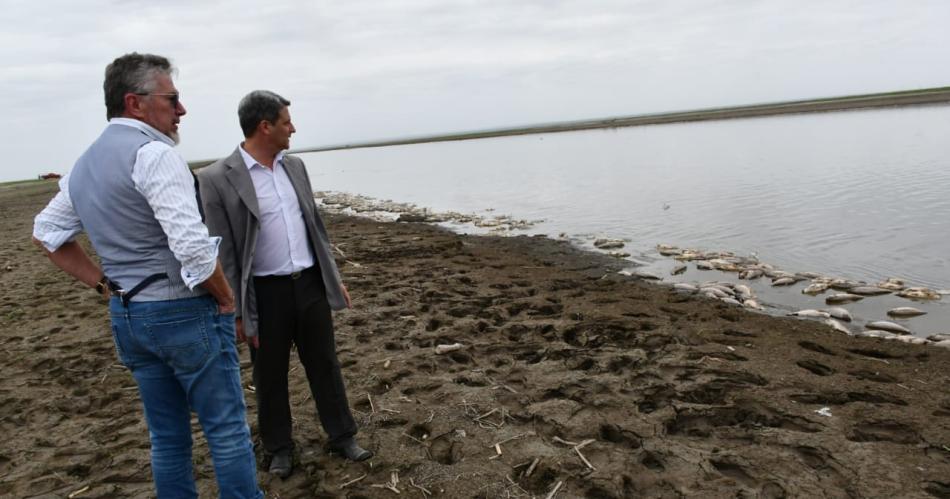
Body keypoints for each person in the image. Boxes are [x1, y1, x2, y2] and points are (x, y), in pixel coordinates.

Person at [32, 53, 262, 499]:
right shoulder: (154, 154)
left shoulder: (83, 164)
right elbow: (191, 245)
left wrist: (105, 285)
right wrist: (227, 298)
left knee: (167, 436)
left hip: (129, 315)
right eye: (172, 99)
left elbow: (47, 233)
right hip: (182, 311)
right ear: (135, 103)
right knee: (227, 430)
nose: (181, 110)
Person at [197, 90, 372, 478]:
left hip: (309, 284)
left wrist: (332, 279)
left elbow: (316, 229)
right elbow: (219, 250)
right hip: (263, 293)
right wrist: (237, 310)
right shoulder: (214, 179)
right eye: (286, 121)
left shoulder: (296, 167)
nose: (293, 128)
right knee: (269, 374)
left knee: (325, 364)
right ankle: (278, 448)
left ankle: (342, 435)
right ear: (265, 127)